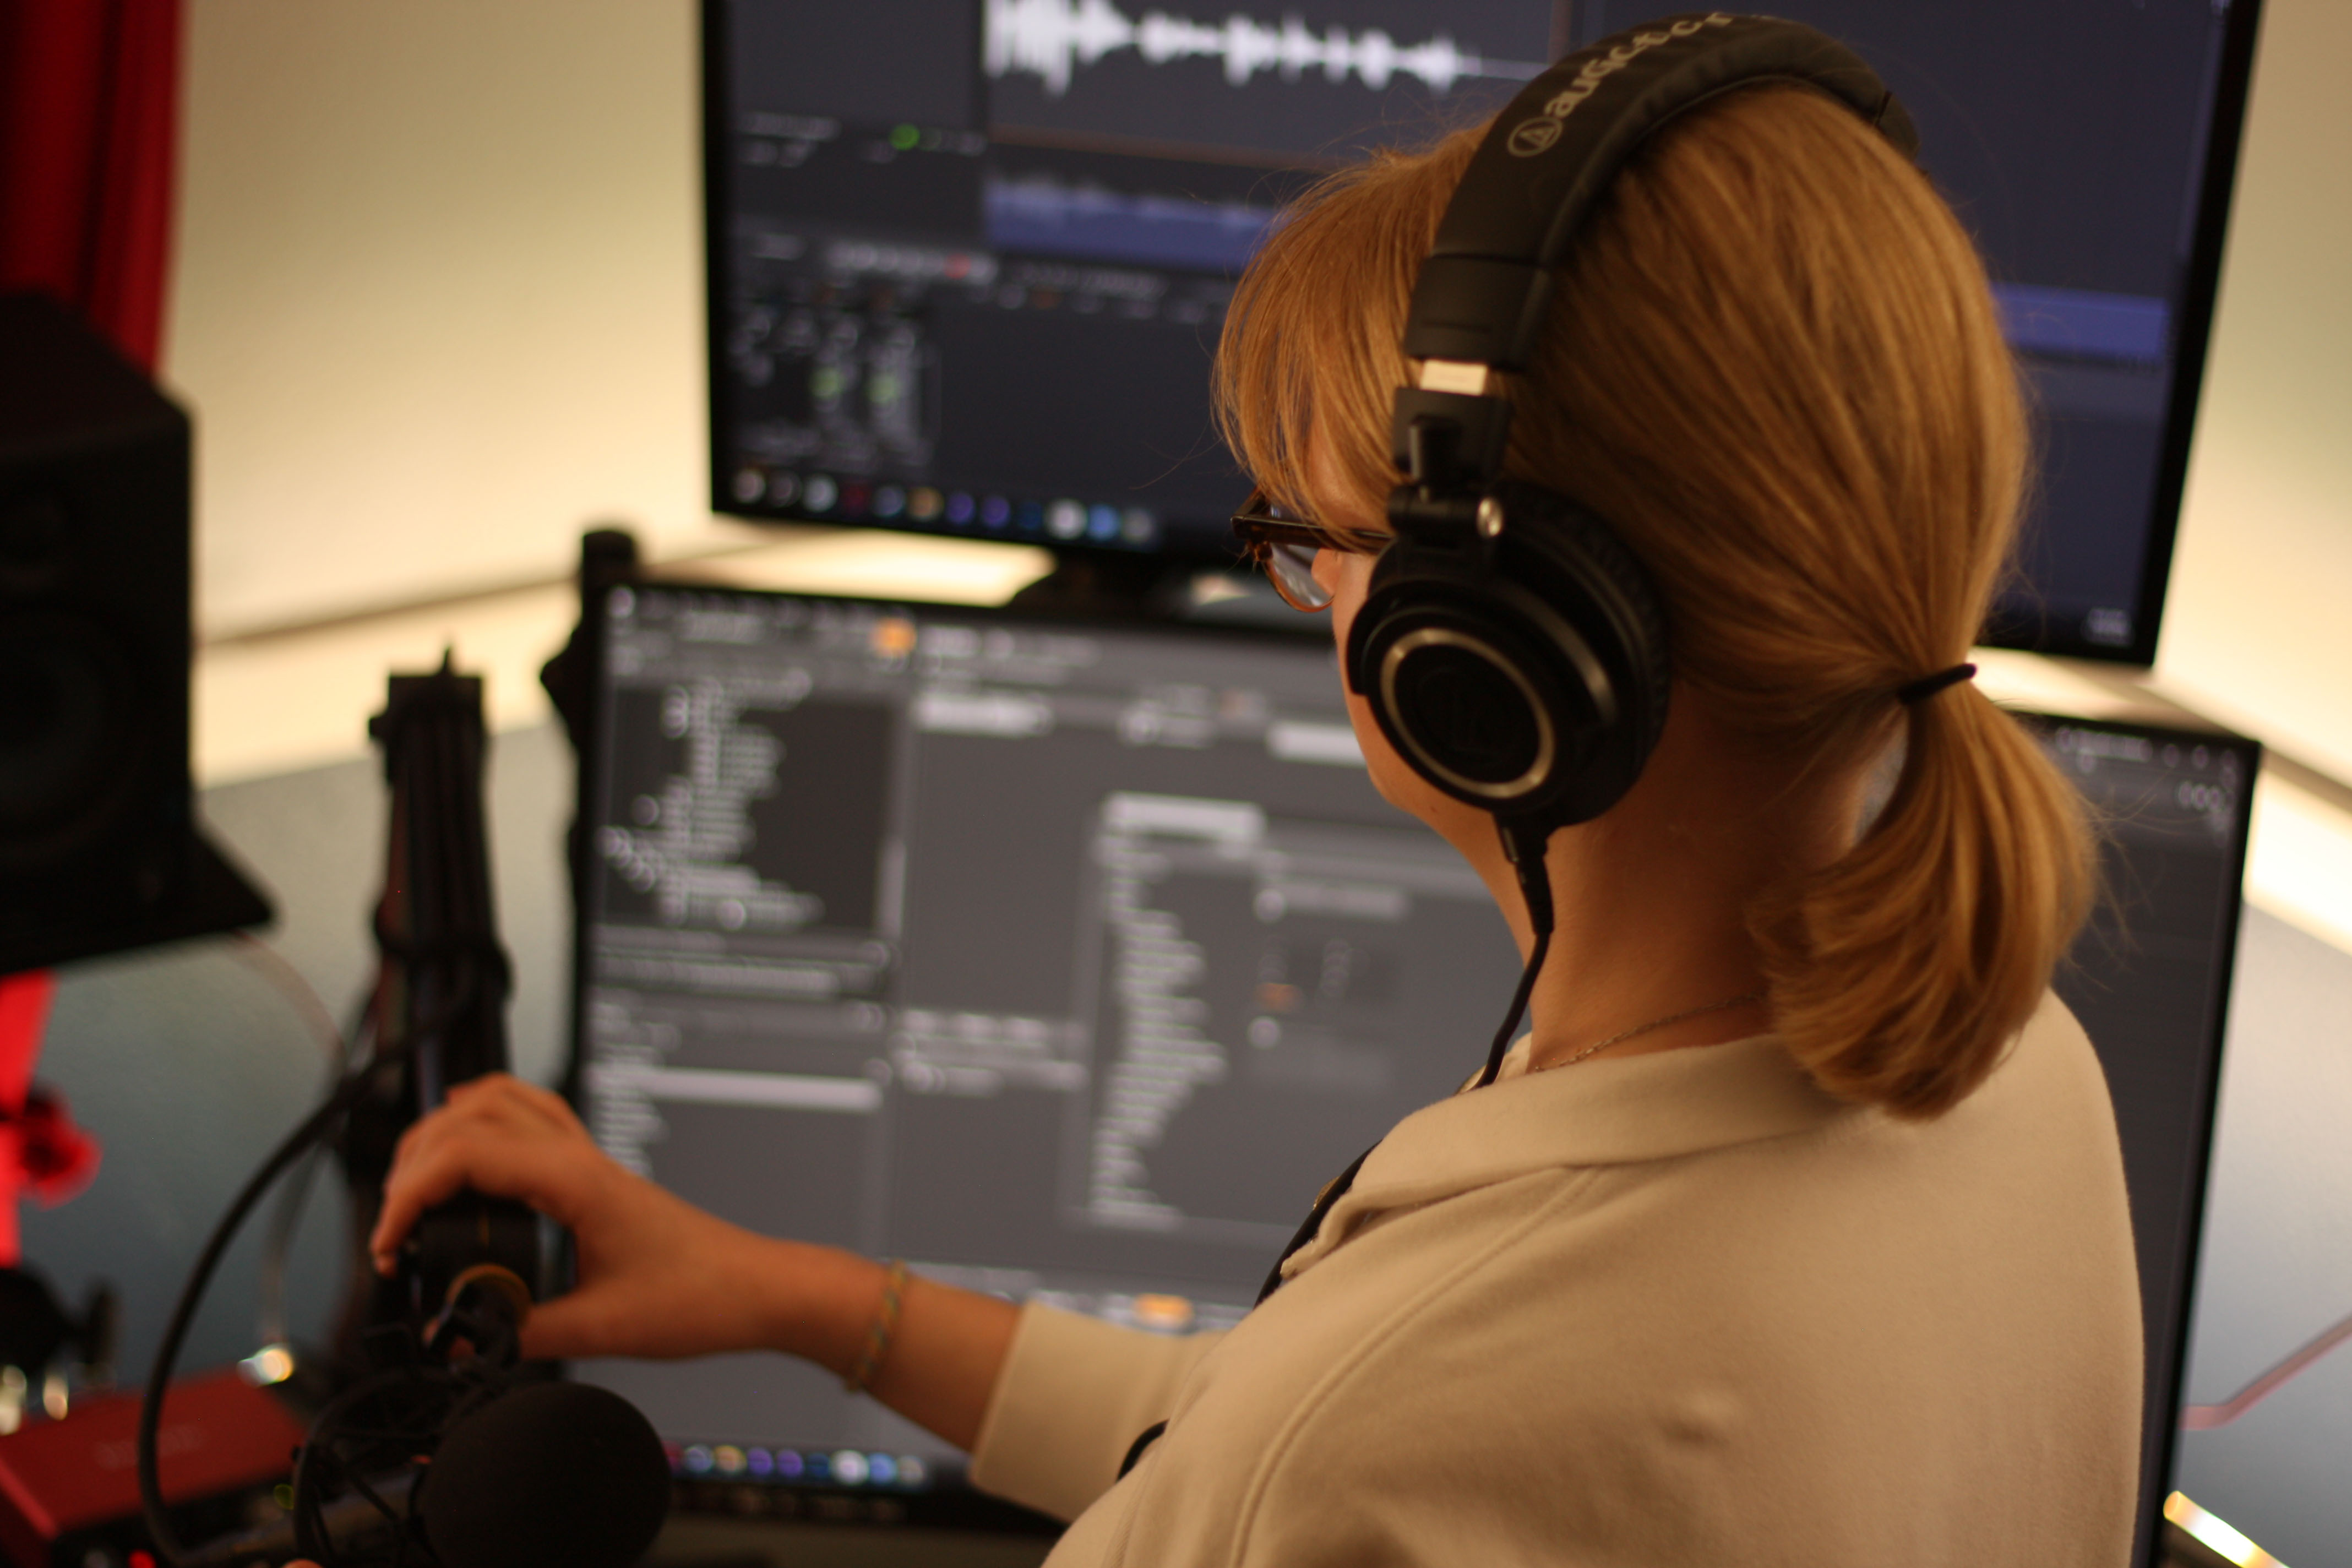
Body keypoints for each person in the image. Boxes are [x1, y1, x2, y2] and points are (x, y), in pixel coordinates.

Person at [355, 61, 2144, 1568]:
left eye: (1315, 544)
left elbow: (1333, 1456)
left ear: (1493, 656)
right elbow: (1282, 1453)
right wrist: (804, 1298)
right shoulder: (2019, 1076)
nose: (1316, 601)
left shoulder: (1404, 1411)